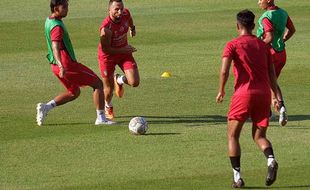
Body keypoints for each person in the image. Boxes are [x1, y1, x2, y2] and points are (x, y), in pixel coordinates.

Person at [216, 10, 279, 188]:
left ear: (238, 26)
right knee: (259, 136)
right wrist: (275, 96)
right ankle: (271, 160)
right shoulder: (264, 46)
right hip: (263, 94)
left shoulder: (232, 45)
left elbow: (224, 71)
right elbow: (272, 74)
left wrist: (221, 90)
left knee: (232, 135)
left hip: (243, 94)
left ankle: (237, 177)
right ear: (253, 26)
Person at [36, 0, 114, 126]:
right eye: (64, 7)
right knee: (98, 84)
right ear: (56, 8)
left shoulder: (49, 20)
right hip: (66, 65)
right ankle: (101, 118)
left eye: (67, 6)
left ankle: (46, 107)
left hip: (54, 66)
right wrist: (61, 64)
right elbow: (55, 46)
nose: (67, 9)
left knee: (74, 92)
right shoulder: (57, 27)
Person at [98, 0, 140, 120]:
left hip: (123, 53)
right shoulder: (106, 29)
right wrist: (123, 50)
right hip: (107, 57)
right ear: (109, 10)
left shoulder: (125, 14)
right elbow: (106, 50)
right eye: (116, 9)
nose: (120, 11)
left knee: (134, 82)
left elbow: (129, 19)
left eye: (121, 8)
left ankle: (119, 79)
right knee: (109, 89)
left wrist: (132, 28)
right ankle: (108, 106)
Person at [257, 0, 296, 126]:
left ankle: (277, 108)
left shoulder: (266, 17)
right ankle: (271, 109)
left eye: (260, 0)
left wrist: (255, 46)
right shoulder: (283, 13)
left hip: (269, 54)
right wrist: (283, 39)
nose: (258, 2)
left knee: (265, 81)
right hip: (281, 54)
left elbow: (269, 37)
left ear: (268, 0)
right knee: (271, 81)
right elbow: (292, 29)